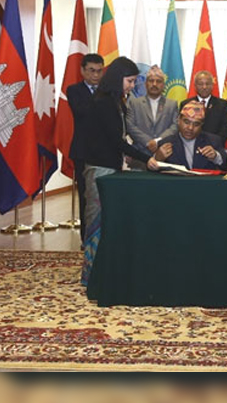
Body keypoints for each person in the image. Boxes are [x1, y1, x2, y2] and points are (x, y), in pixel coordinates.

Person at [80, 57, 157, 285]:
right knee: (96, 220)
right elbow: (117, 141)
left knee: (109, 220)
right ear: (117, 78)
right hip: (99, 169)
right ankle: (91, 274)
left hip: (111, 167)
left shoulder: (116, 101)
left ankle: (106, 270)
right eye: (130, 81)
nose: (132, 86)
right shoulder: (102, 102)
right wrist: (147, 159)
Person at [66, 53, 105, 231]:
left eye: (99, 71)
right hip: (83, 151)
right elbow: (82, 112)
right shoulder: (74, 90)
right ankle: (86, 236)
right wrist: (101, 96)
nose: (96, 75)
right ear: (82, 71)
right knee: (85, 195)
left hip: (104, 153)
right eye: (91, 70)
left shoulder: (107, 92)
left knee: (104, 196)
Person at [125, 65, 179, 169]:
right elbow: (130, 126)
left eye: (158, 81)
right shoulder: (134, 103)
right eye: (151, 81)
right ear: (146, 84)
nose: (154, 84)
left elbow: (175, 126)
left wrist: (157, 141)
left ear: (163, 85)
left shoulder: (172, 104)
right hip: (139, 156)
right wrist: (148, 142)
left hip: (165, 156)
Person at [151, 101, 227, 171]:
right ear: (178, 120)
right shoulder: (165, 142)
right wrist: (157, 159)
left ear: (201, 125)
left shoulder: (213, 141)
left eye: (196, 124)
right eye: (186, 122)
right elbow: (152, 172)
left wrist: (216, 157)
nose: (190, 128)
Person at [181, 70, 227, 143]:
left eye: (208, 84)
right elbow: (182, 128)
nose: (204, 87)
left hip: (214, 146)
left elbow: (225, 129)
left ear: (212, 85)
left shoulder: (222, 105)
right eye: (200, 84)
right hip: (190, 145)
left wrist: (213, 144)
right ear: (195, 86)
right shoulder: (186, 104)